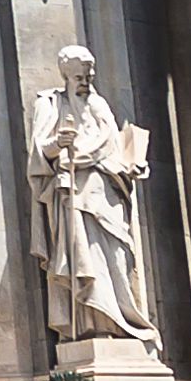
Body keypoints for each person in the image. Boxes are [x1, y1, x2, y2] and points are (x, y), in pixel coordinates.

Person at [32, 45, 157, 346]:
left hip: (109, 193)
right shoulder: (51, 104)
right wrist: (58, 143)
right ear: (66, 76)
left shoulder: (100, 105)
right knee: (87, 259)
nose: (86, 82)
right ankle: (94, 326)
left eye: (89, 76)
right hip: (76, 191)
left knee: (118, 258)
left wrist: (134, 165)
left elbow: (115, 147)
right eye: (79, 77)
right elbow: (39, 152)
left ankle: (123, 322)